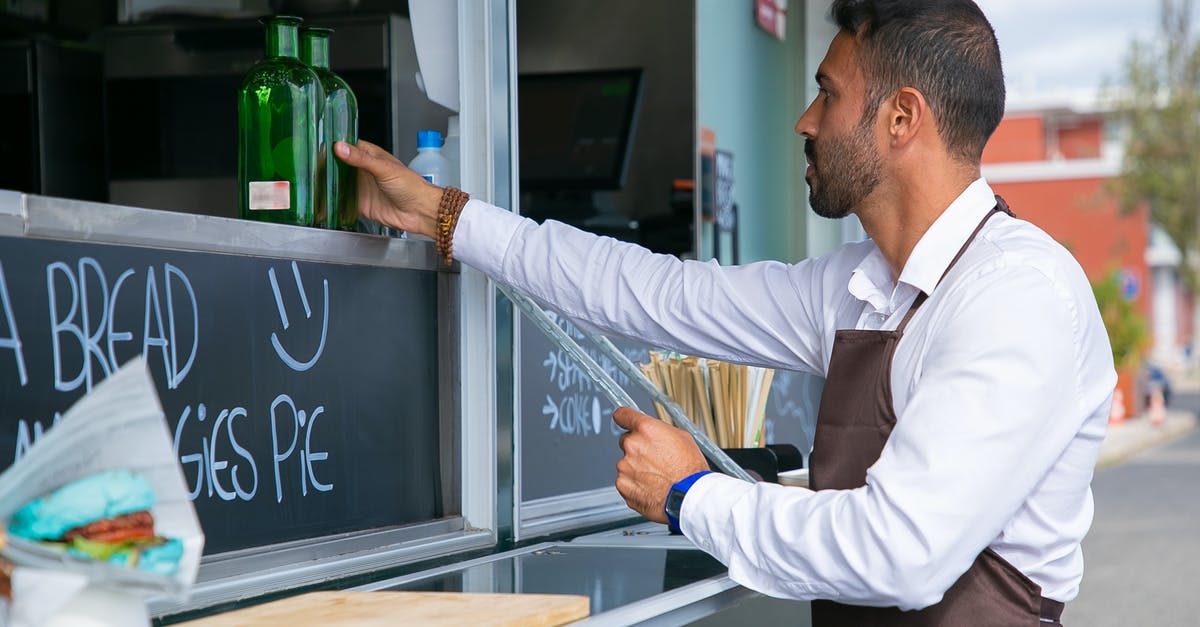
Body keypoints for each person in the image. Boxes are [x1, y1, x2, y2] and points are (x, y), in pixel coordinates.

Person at [334, 0, 1115, 623]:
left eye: (829, 94)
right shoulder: (860, 284)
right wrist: (447, 214)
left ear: (901, 119)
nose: (805, 121)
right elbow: (652, 292)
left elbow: (901, 552)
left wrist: (688, 493)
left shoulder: (1017, 296)